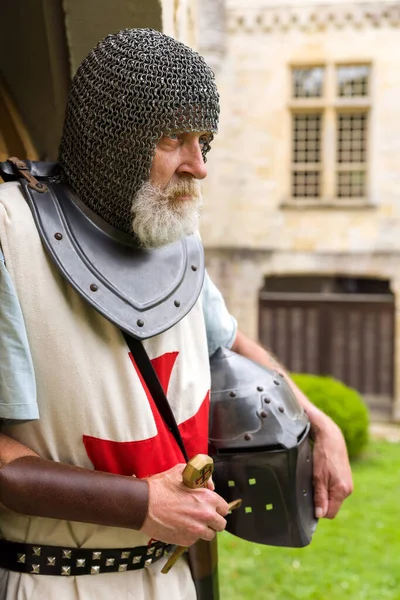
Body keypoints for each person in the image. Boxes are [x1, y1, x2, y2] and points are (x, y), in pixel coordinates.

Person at [0, 28, 352, 600]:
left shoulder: (170, 234)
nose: (199, 165)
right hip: (53, 580)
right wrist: (142, 503)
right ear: (113, 139)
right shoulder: (8, 234)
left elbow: (226, 343)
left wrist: (319, 421)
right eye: (172, 138)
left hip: (174, 580)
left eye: (202, 140)